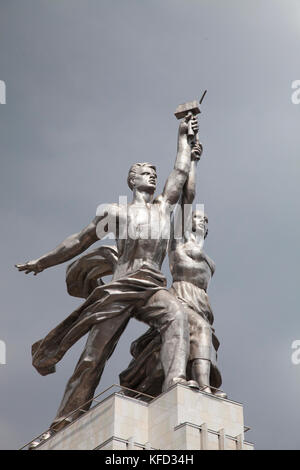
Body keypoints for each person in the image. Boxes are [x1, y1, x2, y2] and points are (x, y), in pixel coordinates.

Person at [16, 113, 199, 433]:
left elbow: (180, 172)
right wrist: (43, 262)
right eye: (145, 172)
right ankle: (64, 421)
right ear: (132, 180)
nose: (153, 175)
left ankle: (176, 383)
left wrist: (182, 138)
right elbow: (78, 241)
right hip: (120, 287)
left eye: (155, 172)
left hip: (152, 285)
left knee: (177, 315)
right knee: (92, 357)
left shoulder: (162, 207)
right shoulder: (114, 213)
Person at [120, 143, 226, 398]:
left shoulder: (210, 261)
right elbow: (188, 194)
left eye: (205, 220)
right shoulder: (177, 243)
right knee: (199, 328)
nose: (201, 221)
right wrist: (193, 161)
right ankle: (203, 386)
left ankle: (203, 387)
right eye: (197, 218)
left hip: (201, 303)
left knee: (203, 333)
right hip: (181, 298)